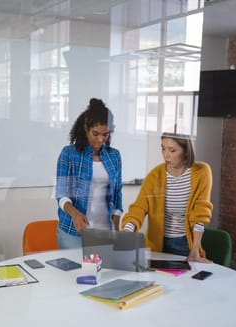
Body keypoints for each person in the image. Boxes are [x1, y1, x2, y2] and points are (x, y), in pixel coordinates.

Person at [122, 132, 213, 263]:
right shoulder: (155, 175)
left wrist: (195, 249)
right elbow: (139, 208)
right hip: (157, 246)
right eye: (163, 148)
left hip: (185, 244)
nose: (166, 155)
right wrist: (127, 231)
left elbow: (200, 213)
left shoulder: (202, 172)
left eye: (172, 150)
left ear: (186, 151)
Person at [55, 98, 123, 249]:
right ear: (86, 128)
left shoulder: (114, 156)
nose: (100, 140)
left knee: (107, 272)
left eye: (105, 135)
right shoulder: (69, 154)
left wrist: (116, 222)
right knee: (76, 272)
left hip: (105, 231)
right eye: (95, 133)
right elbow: (61, 193)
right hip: (74, 232)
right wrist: (74, 213)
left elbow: (117, 193)